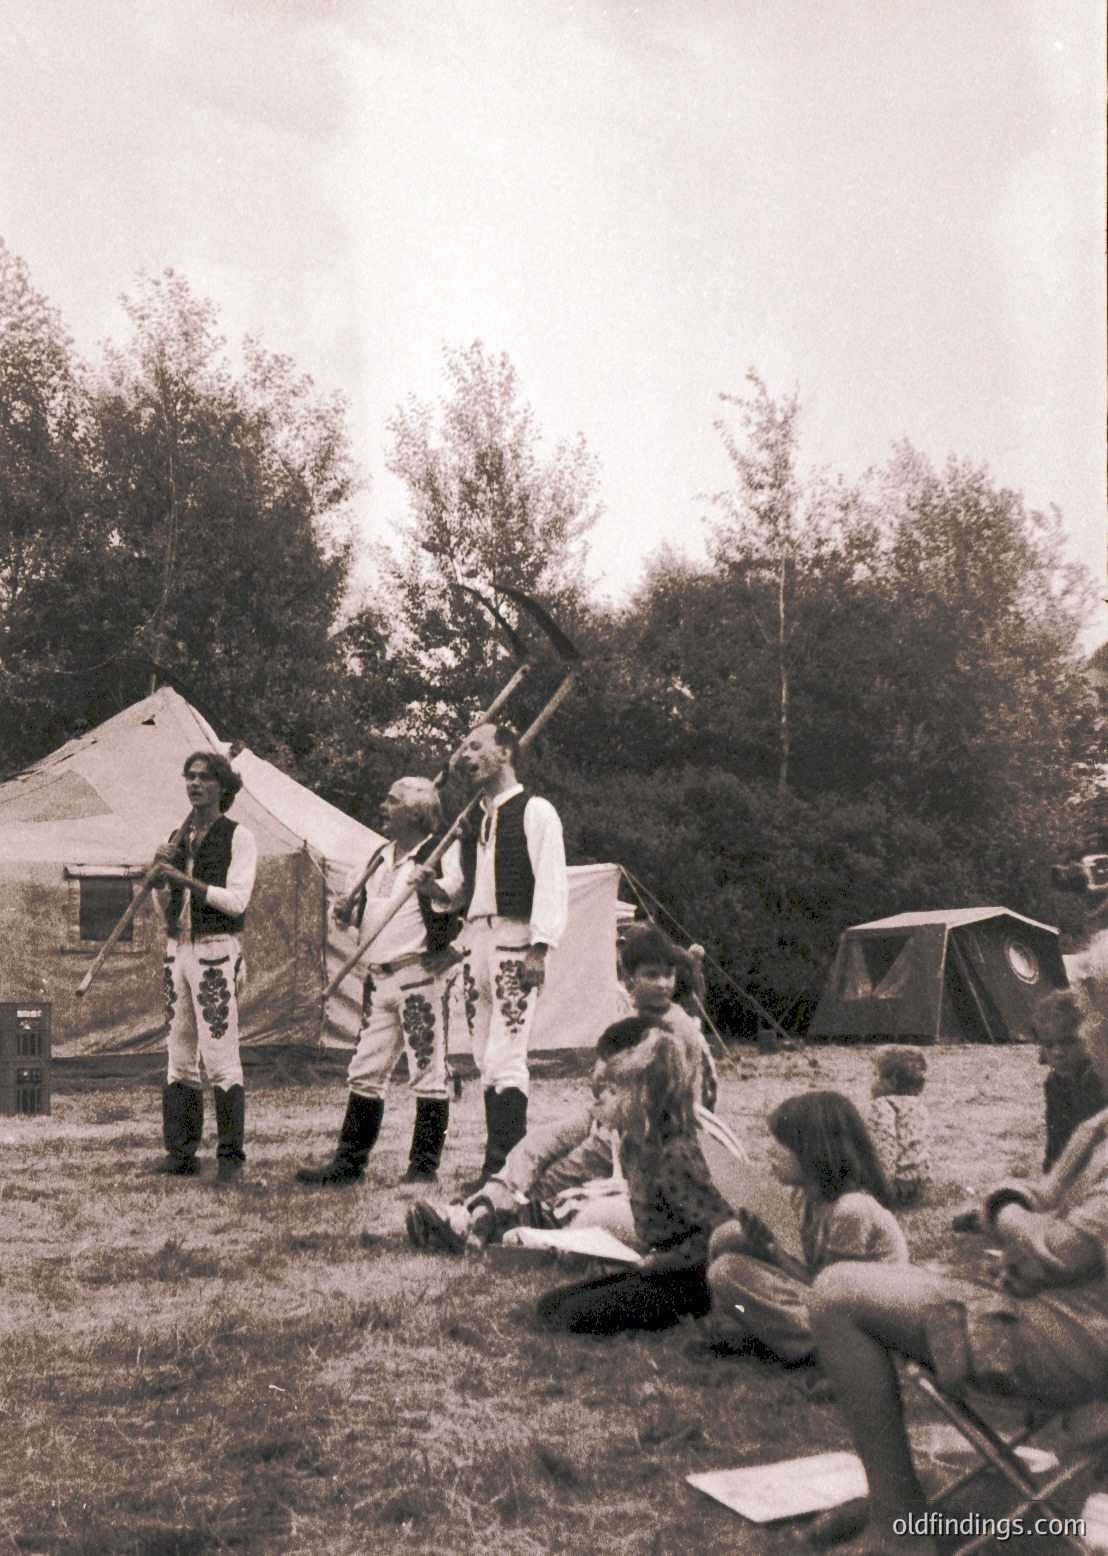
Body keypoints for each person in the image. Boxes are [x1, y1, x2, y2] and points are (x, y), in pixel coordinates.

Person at [806, 1073, 1108, 1552]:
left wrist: (1004, 1214)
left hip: (1084, 1343)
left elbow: (1056, 1252)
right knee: (856, 1286)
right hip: (1074, 1319)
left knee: (835, 1294)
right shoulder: (1100, 1127)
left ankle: (900, 1523)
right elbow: (1054, 1215)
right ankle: (907, 1510)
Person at [406, 926, 729, 1252]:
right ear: (630, 978)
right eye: (651, 975)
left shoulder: (674, 1029)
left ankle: (475, 1224)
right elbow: (603, 1081)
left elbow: (662, 1101)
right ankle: (473, 1209)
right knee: (534, 1146)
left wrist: (611, 1093)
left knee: (555, 1177)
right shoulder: (631, 1013)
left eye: (666, 975)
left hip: (640, 1130)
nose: (661, 984)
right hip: (609, 1116)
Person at [296, 777, 462, 1187]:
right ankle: (349, 1164)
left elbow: (457, 897)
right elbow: (357, 911)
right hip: (379, 978)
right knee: (365, 1069)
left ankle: (424, 1167)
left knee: (427, 1071)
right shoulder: (376, 857)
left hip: (420, 976)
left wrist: (431, 884)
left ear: (416, 811)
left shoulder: (441, 852)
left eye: (392, 800)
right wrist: (344, 911)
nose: (383, 806)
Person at [534, 1030, 734, 1335]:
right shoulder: (632, 1146)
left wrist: (664, 1261)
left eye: (614, 1091)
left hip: (688, 1280)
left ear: (642, 1097)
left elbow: (718, 1232)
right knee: (548, 1307)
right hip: (655, 1266)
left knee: (568, 1317)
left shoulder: (675, 1155)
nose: (601, 1099)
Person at [438, 721, 568, 1190]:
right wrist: (428, 886)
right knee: (484, 1057)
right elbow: (456, 891)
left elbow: (552, 881)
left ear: (506, 751)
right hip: (477, 941)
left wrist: (541, 945)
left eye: (476, 746)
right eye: (461, 747)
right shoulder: (472, 820)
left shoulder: (536, 811)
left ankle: (507, 1171)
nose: (465, 755)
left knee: (508, 1055)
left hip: (516, 939)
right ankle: (498, 1168)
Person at [707, 1091, 907, 1363]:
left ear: (814, 1149)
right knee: (727, 1249)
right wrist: (771, 1249)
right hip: (827, 1296)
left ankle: (826, 1352)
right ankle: (774, 1335)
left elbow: (836, 1296)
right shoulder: (803, 1197)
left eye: (781, 1142)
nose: (770, 1150)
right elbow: (814, 1277)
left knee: (728, 1270)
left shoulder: (852, 1210)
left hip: (863, 1320)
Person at [151, 750, 257, 1184]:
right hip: (178, 950)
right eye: (189, 776)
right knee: (178, 1055)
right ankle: (181, 1153)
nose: (195, 784)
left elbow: (236, 901)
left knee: (220, 1056)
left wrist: (185, 880)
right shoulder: (177, 837)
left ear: (223, 787)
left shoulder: (239, 836)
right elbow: (166, 911)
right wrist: (160, 880)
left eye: (205, 778)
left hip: (216, 951)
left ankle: (231, 1156)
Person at [1035, 990, 1107, 1171]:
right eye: (1049, 1045)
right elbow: (1055, 1149)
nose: (1058, 1053)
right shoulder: (1055, 1083)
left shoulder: (1099, 1080)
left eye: (1068, 1042)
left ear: (1090, 1037)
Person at [867, 1047, 933, 1207]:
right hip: (920, 1186)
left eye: (875, 1075)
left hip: (894, 1187)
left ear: (892, 1081)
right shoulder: (919, 1106)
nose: (870, 1081)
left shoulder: (881, 1106)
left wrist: (879, 1189)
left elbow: (885, 1150)